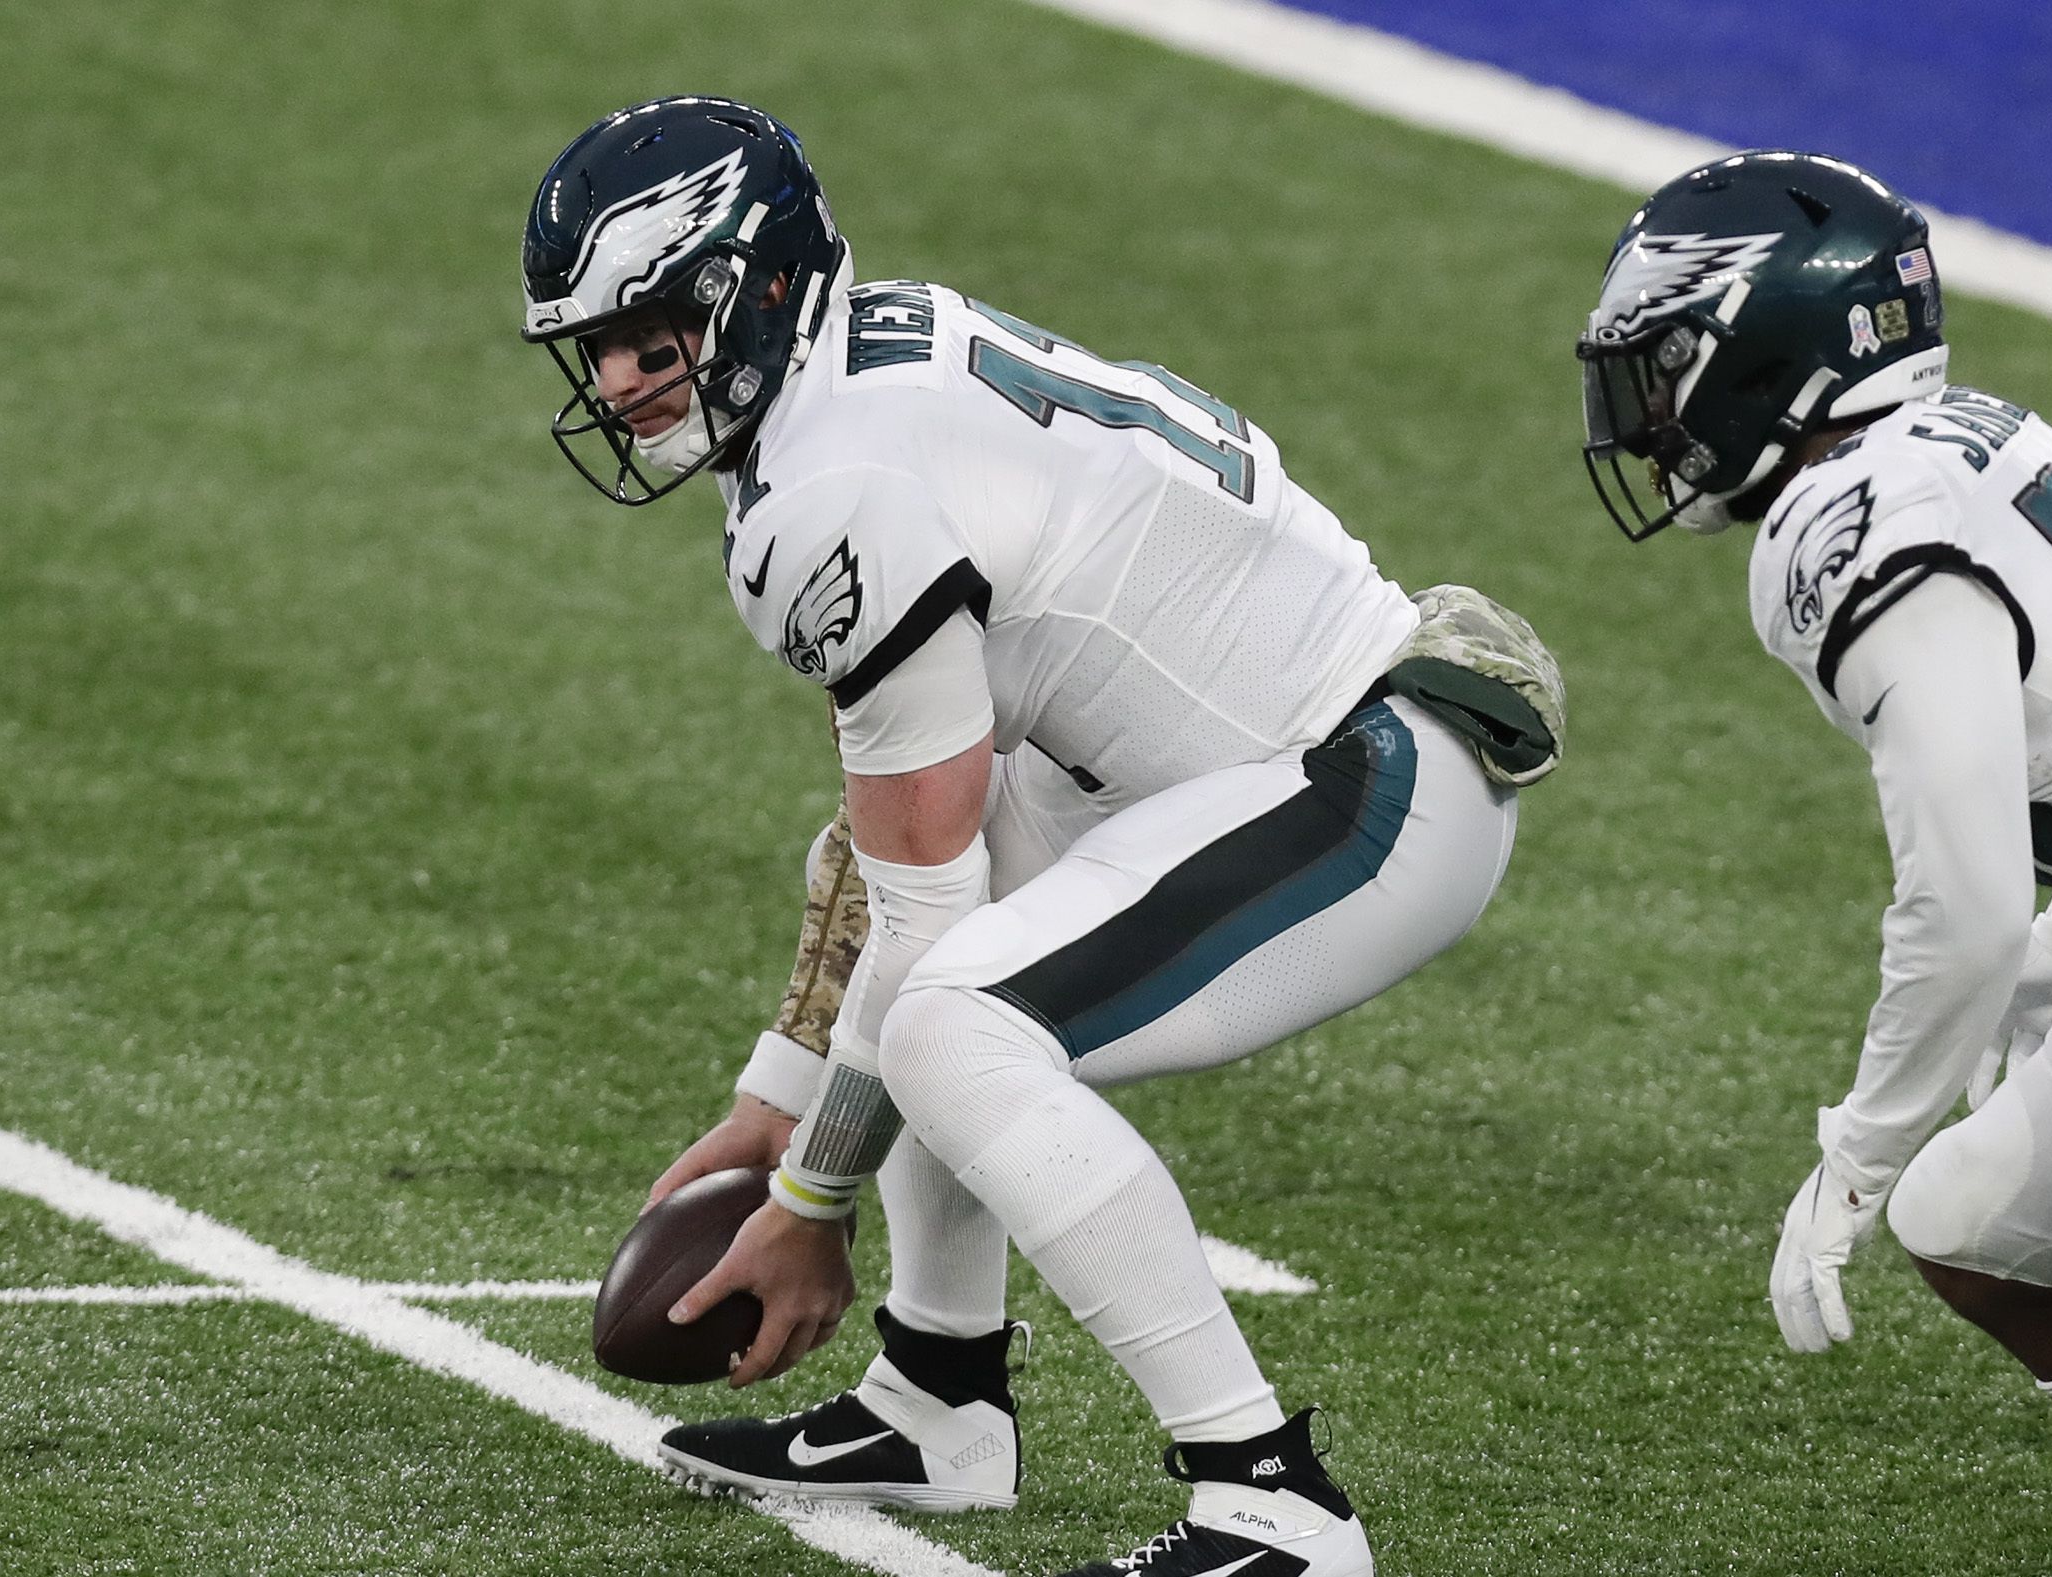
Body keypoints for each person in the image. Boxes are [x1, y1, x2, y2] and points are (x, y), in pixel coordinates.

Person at [520, 96, 1561, 1577]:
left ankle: (1271, 1501)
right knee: (940, 946)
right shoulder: (851, 376)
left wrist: (812, 1198)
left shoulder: (838, 486)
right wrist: (779, 1090)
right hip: (1253, 750)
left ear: (751, 286)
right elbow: (884, 839)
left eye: (647, 333)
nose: (619, 380)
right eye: (599, 347)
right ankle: (939, 1396)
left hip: (1361, 781)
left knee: (952, 1018)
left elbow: (927, 919)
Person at [1574, 149, 2052, 1576]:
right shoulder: (1944, 446)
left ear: (1772, 354)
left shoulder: (1850, 522)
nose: (1646, 411)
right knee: (1981, 1226)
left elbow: (1968, 901)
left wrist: (1858, 1148)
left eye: (1671, 364)